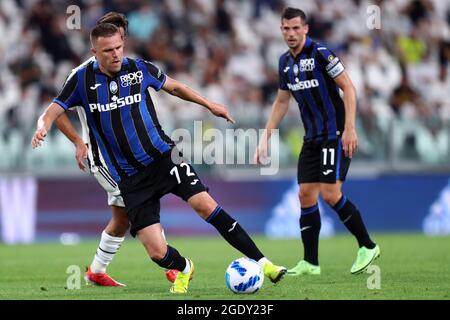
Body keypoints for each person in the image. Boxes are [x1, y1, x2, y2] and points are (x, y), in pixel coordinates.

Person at [32, 23, 287, 294]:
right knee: (156, 252)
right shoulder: (81, 79)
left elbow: (174, 88)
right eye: (108, 50)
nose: (116, 54)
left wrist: (209, 104)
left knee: (205, 206)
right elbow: (54, 109)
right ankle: (185, 267)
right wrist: (43, 126)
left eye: (119, 47)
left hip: (165, 157)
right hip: (129, 177)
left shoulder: (138, 68)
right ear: (94, 51)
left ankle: (264, 263)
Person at [54, 12, 177, 287]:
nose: (119, 46)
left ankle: (96, 270)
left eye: (122, 40)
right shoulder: (82, 75)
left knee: (121, 219)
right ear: (98, 44)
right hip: (105, 161)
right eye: (113, 42)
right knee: (138, 201)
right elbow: (55, 111)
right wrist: (78, 141)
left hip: (132, 159)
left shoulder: (130, 69)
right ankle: (172, 267)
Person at [255, 7, 380, 276]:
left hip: (334, 135)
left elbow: (349, 87)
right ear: (281, 30)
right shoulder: (284, 63)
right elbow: (281, 101)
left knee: (330, 193)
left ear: (306, 29)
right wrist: (265, 137)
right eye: (286, 28)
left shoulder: (321, 54)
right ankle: (310, 263)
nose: (290, 33)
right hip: (311, 139)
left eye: (296, 28)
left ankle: (367, 246)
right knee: (305, 195)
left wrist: (349, 128)